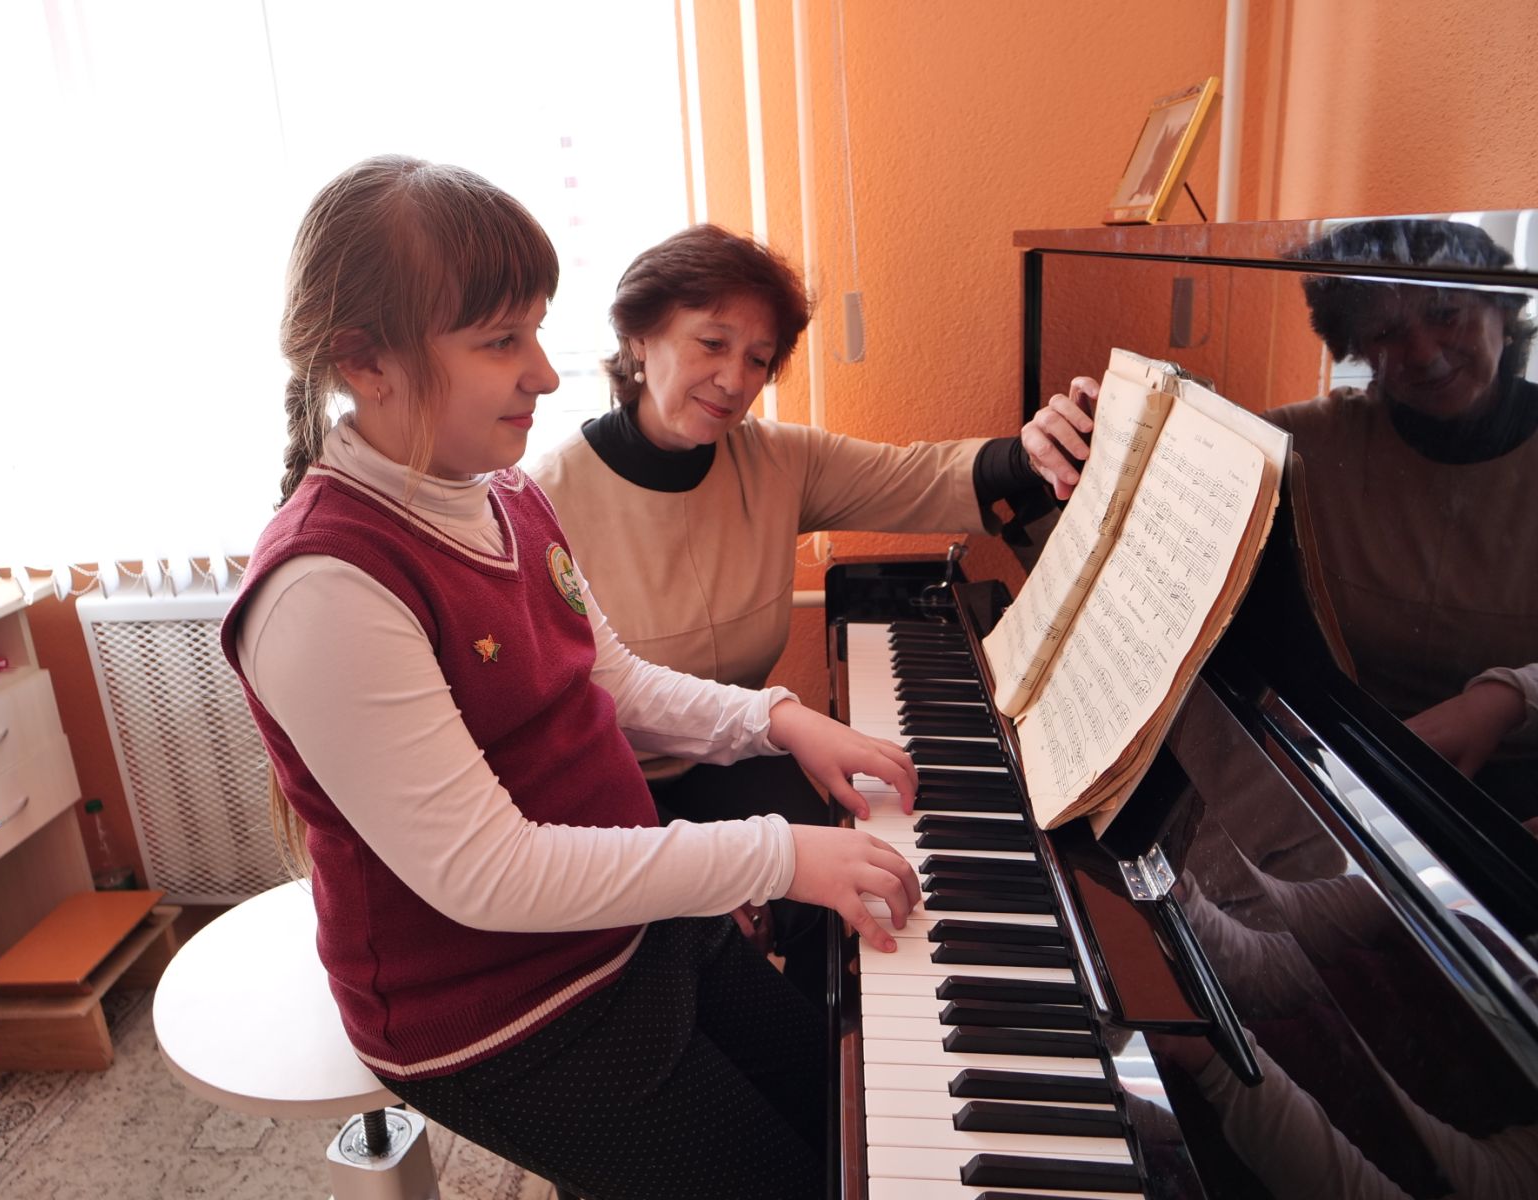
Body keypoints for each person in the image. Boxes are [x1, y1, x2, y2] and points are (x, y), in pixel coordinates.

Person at [219, 154, 923, 1200]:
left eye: (537, 332)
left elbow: (613, 680)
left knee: (850, 1117)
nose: (545, 374)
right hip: (506, 1011)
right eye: (501, 341)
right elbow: (488, 874)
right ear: (366, 361)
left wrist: (778, 720)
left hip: (625, 925)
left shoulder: (503, 493)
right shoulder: (326, 587)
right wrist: (775, 854)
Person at [527, 224, 1097, 982]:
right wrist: (697, 881)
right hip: (613, 795)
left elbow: (919, 477)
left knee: (866, 879)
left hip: (740, 751)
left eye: (757, 359)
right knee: (714, 954)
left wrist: (1033, 451)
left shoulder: (775, 459)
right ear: (639, 337)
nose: (734, 379)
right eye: (712, 343)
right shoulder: (545, 500)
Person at [1029, 219, 1538, 821]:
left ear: (1502, 312)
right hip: (1348, 780)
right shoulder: (1315, 440)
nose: (1425, 353)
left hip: (1514, 789)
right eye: (1388, 332)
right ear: (1359, 347)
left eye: (1446, 315)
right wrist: (1070, 440)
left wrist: (1509, 697)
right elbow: (1162, 474)